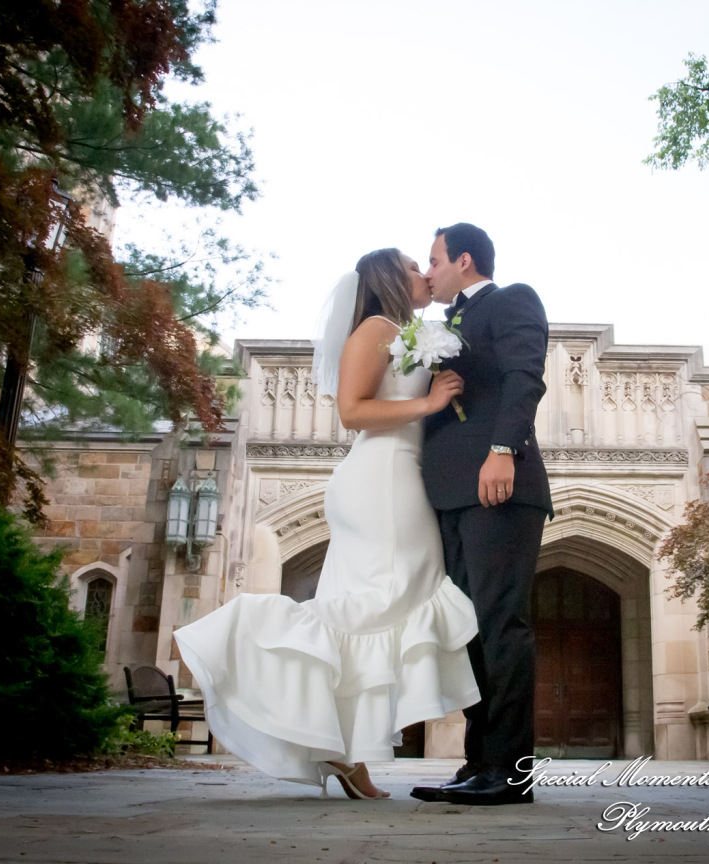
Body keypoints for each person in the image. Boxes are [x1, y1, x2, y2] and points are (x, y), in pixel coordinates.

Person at [174, 248, 480, 800]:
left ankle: (345, 753)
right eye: (414, 266)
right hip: (382, 477)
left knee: (380, 602)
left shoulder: (404, 332)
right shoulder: (375, 328)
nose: (424, 272)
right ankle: (244, 640)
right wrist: (429, 403)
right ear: (390, 278)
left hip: (397, 474)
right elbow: (352, 412)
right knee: (389, 599)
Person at [411, 223, 553, 806]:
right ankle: (479, 763)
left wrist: (503, 450)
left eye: (434, 260)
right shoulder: (442, 325)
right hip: (449, 495)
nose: (429, 272)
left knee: (500, 626)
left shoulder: (512, 299)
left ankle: (511, 773)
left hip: (499, 487)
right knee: (468, 631)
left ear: (464, 260)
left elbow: (525, 377)